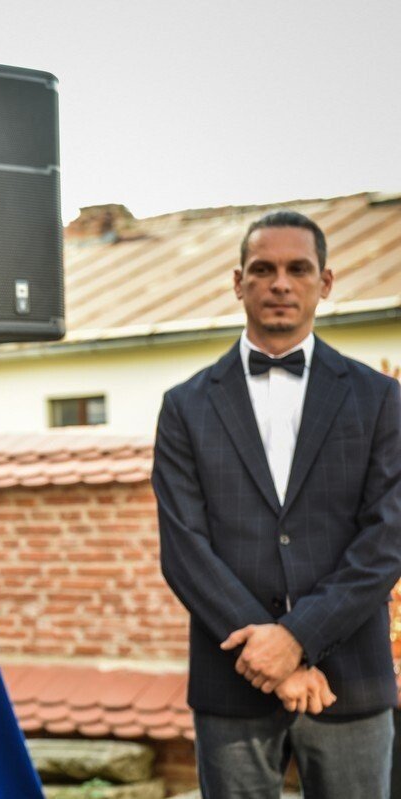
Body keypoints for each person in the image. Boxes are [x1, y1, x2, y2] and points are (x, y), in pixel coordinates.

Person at [152, 210, 401, 798]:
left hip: (351, 679)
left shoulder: (380, 398)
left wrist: (297, 639)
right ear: (239, 282)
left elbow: (388, 537)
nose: (280, 283)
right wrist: (270, 654)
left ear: (325, 282)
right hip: (231, 682)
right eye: (263, 269)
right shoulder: (185, 406)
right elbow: (184, 549)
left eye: (298, 269)